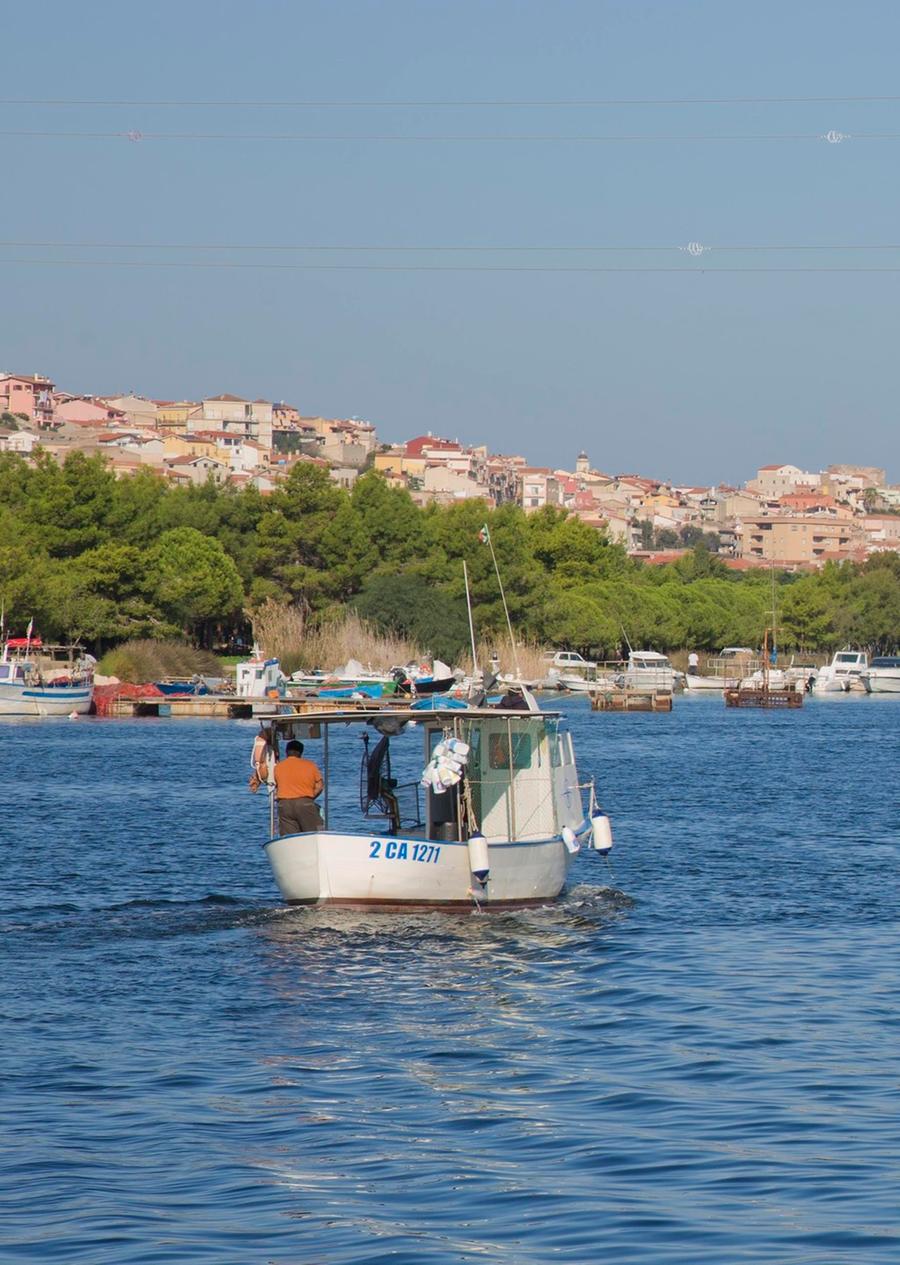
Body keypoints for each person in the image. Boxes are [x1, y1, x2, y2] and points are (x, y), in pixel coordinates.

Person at [273, 739, 324, 835]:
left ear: (287, 752)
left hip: (284, 805)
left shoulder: (278, 767)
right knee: (316, 832)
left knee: (290, 837)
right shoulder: (310, 765)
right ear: (301, 753)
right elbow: (320, 786)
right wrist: (311, 797)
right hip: (304, 803)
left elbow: (277, 786)